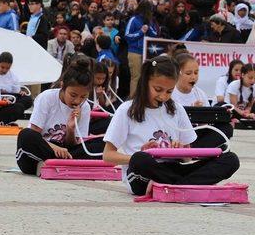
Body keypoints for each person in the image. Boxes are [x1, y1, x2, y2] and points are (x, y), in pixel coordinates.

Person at [102, 56, 240, 196]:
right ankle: (188, 186)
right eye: (158, 89)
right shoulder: (127, 110)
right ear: (145, 82)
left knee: (230, 159)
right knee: (140, 160)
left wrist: (181, 151)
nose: (163, 96)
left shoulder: (177, 109)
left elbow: (187, 159)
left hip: (172, 168)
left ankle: (176, 187)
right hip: (144, 173)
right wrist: (140, 155)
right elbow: (108, 155)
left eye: (169, 91)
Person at [16, 58, 102, 175]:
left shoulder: (85, 107)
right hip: (40, 151)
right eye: (73, 95)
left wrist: (70, 129)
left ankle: (54, 164)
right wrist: (54, 148)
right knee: (25, 135)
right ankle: (61, 164)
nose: (77, 100)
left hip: (65, 152)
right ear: (63, 86)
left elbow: (72, 145)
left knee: (103, 144)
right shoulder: (47, 98)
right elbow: (34, 133)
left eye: (83, 97)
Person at [171, 53, 233, 149]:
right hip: (178, 134)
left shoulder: (200, 94)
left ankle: (196, 149)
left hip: (196, 133)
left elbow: (206, 125)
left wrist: (201, 116)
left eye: (196, 73)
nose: (193, 77)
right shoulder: (170, 92)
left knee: (227, 128)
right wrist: (191, 113)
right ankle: (199, 149)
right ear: (177, 73)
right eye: (188, 73)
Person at [125, 0, 158, 97]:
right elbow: (127, 35)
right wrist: (141, 32)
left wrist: (148, 28)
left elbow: (155, 35)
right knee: (136, 77)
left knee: (147, 77)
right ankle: (133, 99)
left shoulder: (150, 21)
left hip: (147, 53)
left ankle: (145, 98)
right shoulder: (133, 19)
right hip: (134, 52)